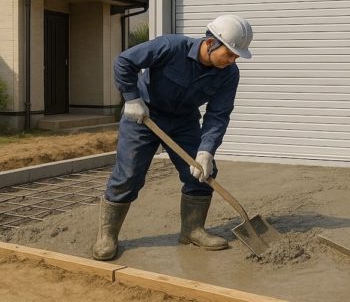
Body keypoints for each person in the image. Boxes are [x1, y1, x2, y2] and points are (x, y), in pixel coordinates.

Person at [92, 14, 253, 261]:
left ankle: (192, 230)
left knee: (201, 173)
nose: (232, 60)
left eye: (236, 56)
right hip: (143, 116)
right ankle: (107, 236)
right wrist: (131, 98)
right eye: (230, 54)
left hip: (183, 121)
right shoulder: (170, 46)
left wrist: (206, 150)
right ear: (210, 44)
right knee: (128, 176)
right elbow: (124, 62)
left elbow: (218, 115)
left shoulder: (228, 74)